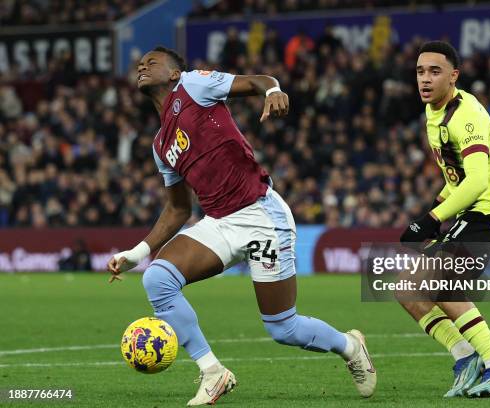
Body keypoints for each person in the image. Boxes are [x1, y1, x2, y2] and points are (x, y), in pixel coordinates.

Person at [106, 46, 376, 406]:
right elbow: (177, 208)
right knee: (157, 278)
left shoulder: (192, 85)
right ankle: (213, 372)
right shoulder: (160, 144)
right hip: (219, 222)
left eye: (151, 62)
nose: (142, 65)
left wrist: (272, 90)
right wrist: (137, 253)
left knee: (284, 327)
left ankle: (350, 346)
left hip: (261, 218)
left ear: (173, 73)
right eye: (139, 63)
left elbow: (255, 82)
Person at [398, 41, 490, 397]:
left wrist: (432, 217)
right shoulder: (433, 112)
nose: (425, 79)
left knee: (438, 279)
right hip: (474, 211)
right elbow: (457, 177)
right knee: (406, 286)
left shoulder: (465, 115)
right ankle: (465, 356)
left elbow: (478, 181)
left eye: (435, 71)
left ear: (454, 76)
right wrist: (434, 208)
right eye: (420, 71)